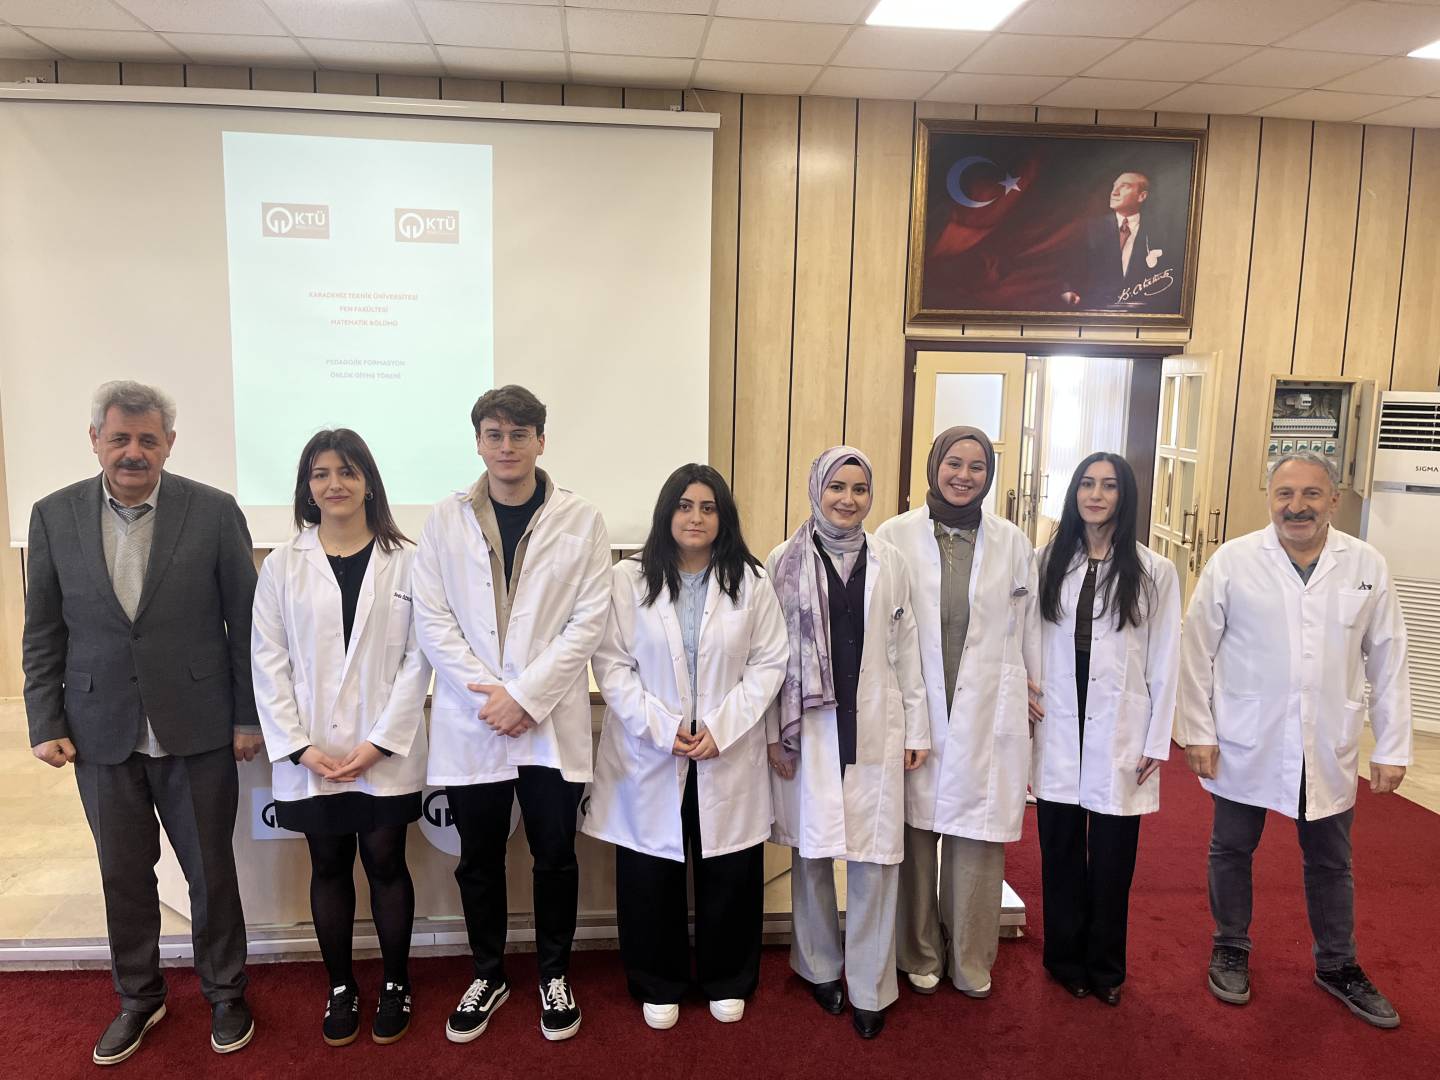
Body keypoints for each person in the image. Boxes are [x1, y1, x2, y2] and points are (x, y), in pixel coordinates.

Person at [23, 380, 259, 1066]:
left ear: (169, 444)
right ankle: (139, 996)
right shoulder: (53, 515)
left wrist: (248, 717)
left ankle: (226, 993)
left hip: (199, 727)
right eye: (120, 437)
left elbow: (245, 625)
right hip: (99, 730)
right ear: (94, 439)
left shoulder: (213, 511)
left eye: (148, 439)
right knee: (123, 875)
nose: (134, 452)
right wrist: (44, 718)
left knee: (211, 873)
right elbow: (43, 631)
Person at [1178, 450, 1411, 1029]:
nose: (1296, 506)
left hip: (1325, 741)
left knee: (1331, 859)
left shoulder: (1365, 563)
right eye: (1285, 494)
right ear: (1270, 499)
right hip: (1247, 736)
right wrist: (1197, 732)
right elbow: (1195, 651)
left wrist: (1392, 746)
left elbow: (1389, 659)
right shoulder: (1233, 562)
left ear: (1333, 499)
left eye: (1310, 494)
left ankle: (1338, 964)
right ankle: (1230, 945)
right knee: (1232, 847)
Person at [412, 384, 611, 1044]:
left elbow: (588, 620)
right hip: (475, 721)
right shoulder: (443, 520)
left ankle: (554, 973)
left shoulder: (581, 519)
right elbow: (433, 619)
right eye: (494, 434)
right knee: (478, 858)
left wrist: (525, 697)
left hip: (546, 719)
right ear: (478, 442)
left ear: (540, 442)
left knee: (555, 855)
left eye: (519, 434)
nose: (506, 446)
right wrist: (492, 698)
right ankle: (489, 973)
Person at [586, 464, 787, 1029]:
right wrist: (659, 725)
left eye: (707, 507)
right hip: (652, 749)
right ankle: (658, 979)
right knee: (650, 870)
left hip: (726, 747)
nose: (695, 517)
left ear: (723, 517)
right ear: (666, 512)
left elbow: (770, 662)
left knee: (731, 868)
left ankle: (729, 977)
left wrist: (723, 726)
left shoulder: (751, 581)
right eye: (684, 505)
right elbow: (611, 663)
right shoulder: (627, 579)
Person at [251, 429, 431, 1047]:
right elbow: (267, 661)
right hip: (312, 753)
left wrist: (380, 743)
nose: (335, 484)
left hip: (383, 752)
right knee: (328, 866)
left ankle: (397, 982)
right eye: (322, 473)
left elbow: (419, 660)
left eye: (348, 472)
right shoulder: (282, 565)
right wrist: (300, 748)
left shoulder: (408, 560)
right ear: (307, 486)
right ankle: (340, 986)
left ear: (369, 483)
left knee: (386, 863)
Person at [765, 446, 929, 1040]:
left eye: (859, 489)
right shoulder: (782, 560)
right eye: (837, 486)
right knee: (811, 853)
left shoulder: (891, 561)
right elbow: (768, 657)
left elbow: (906, 649)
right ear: (817, 489)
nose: (848, 499)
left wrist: (918, 728)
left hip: (875, 723)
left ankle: (870, 986)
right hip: (809, 727)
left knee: (875, 861)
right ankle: (817, 967)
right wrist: (772, 735)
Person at [876, 426, 1042, 1000]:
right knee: (914, 837)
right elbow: (883, 624)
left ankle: (971, 957)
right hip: (917, 703)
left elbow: (1029, 626)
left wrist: (1032, 687)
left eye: (977, 466)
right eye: (954, 463)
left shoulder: (1012, 541)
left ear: (989, 476)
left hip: (986, 708)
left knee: (977, 840)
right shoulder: (894, 535)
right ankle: (919, 952)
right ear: (934, 466)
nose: (964, 476)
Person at [1031, 453, 1180, 1006]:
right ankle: (1064, 960)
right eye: (1087, 484)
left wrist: (1157, 738)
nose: (1096, 495)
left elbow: (1166, 658)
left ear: (1124, 496)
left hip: (1121, 725)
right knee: (1060, 850)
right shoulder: (1046, 562)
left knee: (1114, 860)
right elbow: (1028, 639)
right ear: (1074, 493)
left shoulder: (1154, 570)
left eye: (1109, 486)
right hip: (1058, 719)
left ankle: (1107, 968)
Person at [1060, 171, 1178, 313]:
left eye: (1125, 186)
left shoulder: (1161, 232)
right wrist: (1066, 291)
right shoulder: (1090, 229)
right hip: (1095, 311)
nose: (1114, 192)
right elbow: (1068, 267)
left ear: (1141, 196)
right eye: (1114, 186)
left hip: (1143, 312)